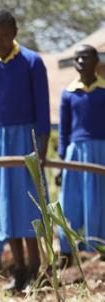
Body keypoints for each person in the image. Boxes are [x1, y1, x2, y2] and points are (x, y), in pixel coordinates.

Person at [0, 9, 50, 291]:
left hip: (26, 138)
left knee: (28, 204)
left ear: (15, 33)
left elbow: (42, 105)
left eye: (4, 35)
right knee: (6, 206)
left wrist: (42, 143)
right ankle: (19, 271)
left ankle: (37, 267)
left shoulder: (31, 62)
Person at [58, 44, 105, 260]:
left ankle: (98, 247)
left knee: (98, 199)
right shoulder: (69, 94)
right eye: (77, 59)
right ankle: (67, 250)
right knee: (70, 200)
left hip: (100, 152)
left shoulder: (103, 92)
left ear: (96, 62)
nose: (80, 63)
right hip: (74, 153)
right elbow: (64, 130)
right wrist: (60, 162)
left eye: (85, 58)